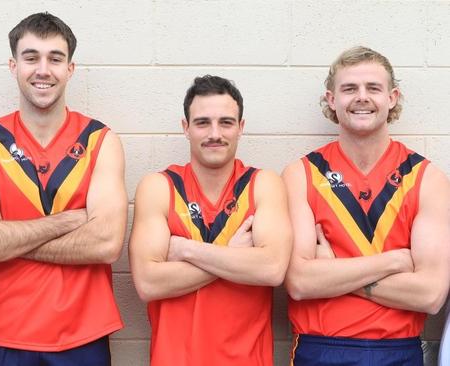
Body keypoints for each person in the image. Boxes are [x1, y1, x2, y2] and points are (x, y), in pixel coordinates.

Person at [0, 12, 127, 366]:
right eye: (31, 57)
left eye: (55, 58)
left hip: (84, 336)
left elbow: (106, 243)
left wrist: (6, 238)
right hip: (5, 334)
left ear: (71, 68)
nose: (43, 69)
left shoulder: (100, 141)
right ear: (13, 65)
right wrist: (67, 222)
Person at [283, 46, 450, 365]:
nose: (362, 97)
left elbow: (430, 295)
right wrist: (391, 261)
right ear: (331, 99)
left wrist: (332, 273)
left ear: (392, 97)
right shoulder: (301, 174)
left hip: (398, 351)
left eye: (373, 88)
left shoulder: (426, 178)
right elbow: (300, 283)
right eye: (349, 89)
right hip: (320, 349)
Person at [128, 75, 292, 365]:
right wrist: (235, 255)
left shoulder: (263, 184)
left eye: (226, 122)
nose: (214, 133)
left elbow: (272, 269)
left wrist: (186, 250)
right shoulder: (158, 187)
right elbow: (149, 283)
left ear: (240, 128)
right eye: (203, 122)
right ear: (186, 128)